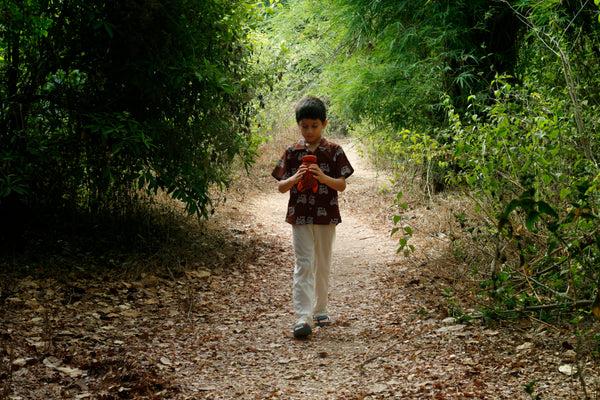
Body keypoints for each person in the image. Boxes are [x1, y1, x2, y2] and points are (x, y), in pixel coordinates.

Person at [271, 96, 354, 338]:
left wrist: (322, 177)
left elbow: (341, 185)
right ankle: (303, 317)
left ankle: (321, 309)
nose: (309, 131)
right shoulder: (291, 152)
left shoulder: (334, 151)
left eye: (314, 126)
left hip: (326, 214)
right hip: (299, 215)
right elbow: (280, 186)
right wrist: (296, 177)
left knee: (322, 262)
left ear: (324, 124)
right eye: (304, 126)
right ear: (298, 125)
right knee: (304, 263)